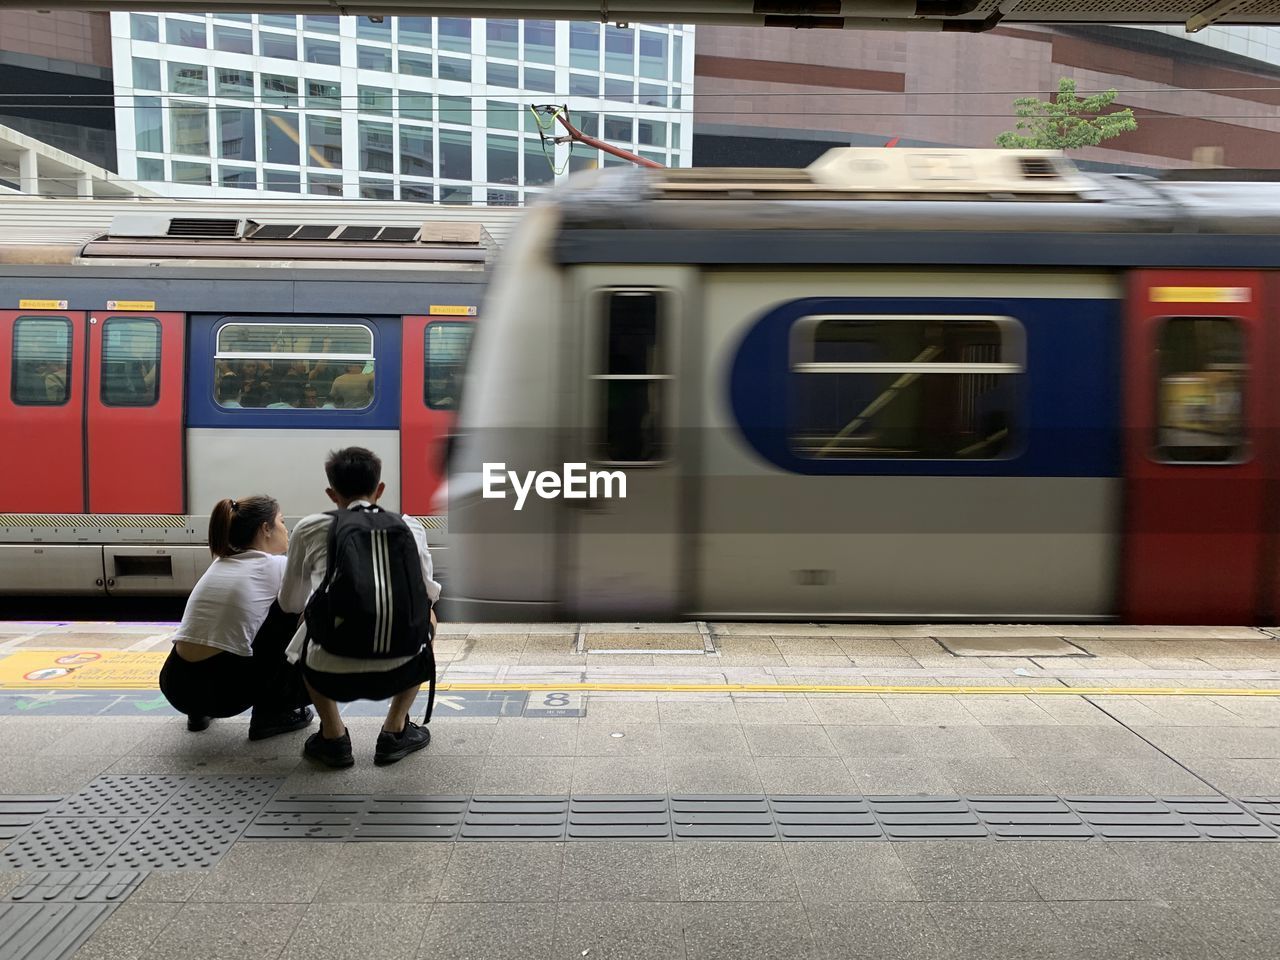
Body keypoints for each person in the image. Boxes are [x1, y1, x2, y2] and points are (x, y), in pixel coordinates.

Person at [279, 447, 439, 768]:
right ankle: (395, 731)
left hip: (328, 673)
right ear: (380, 489)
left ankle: (333, 736)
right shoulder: (411, 526)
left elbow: (290, 602)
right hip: (403, 666)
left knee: (306, 616)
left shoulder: (310, 527)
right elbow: (429, 593)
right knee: (429, 615)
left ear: (331, 493)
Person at [159, 496, 314, 738]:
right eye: (282, 522)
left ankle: (198, 714)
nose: (287, 530)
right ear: (265, 529)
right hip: (224, 696)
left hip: (175, 685)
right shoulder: (275, 566)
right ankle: (272, 713)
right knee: (302, 616)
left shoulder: (220, 562)